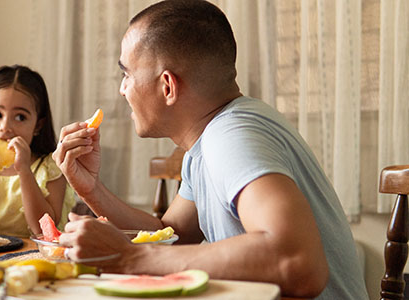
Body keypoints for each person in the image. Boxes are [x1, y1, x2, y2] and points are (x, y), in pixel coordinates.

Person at [52, 1, 368, 299]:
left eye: (126, 74)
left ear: (167, 87)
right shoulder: (207, 143)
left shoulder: (232, 136)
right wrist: (91, 189)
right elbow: (170, 233)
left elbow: (299, 262)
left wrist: (128, 257)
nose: (122, 90)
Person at [0, 65, 75, 238]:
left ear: (38, 126)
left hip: (36, 257)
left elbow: (44, 231)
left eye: (20, 117)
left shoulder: (51, 167)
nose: (5, 127)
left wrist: (24, 171)